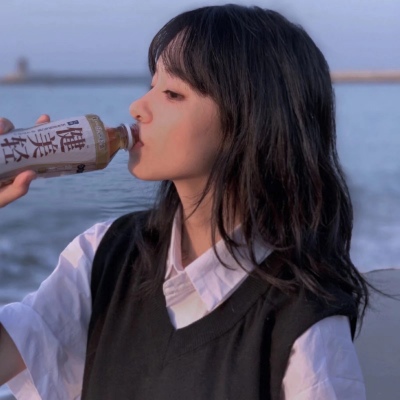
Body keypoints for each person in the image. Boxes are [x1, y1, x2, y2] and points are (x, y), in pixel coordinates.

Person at [0, 4, 369, 399]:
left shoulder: (302, 321)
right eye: (152, 85)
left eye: (173, 94)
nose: (138, 107)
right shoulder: (104, 255)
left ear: (251, 123)